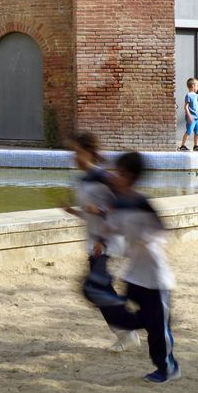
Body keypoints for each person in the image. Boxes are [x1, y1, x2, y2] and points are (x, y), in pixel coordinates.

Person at [96, 152, 180, 384]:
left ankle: (167, 368)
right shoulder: (119, 203)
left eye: (119, 174)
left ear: (131, 177)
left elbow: (163, 231)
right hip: (134, 276)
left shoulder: (143, 203)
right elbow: (112, 226)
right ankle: (149, 323)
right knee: (126, 317)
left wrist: (147, 238)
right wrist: (101, 241)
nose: (115, 177)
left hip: (155, 277)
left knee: (157, 330)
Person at [62, 133, 138, 352]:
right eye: (73, 153)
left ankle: (128, 330)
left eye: (78, 152)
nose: (74, 157)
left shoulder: (103, 177)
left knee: (95, 289)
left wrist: (102, 215)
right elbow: (91, 214)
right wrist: (74, 212)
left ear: (90, 153)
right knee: (97, 289)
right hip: (96, 243)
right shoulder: (84, 180)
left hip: (109, 243)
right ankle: (126, 330)